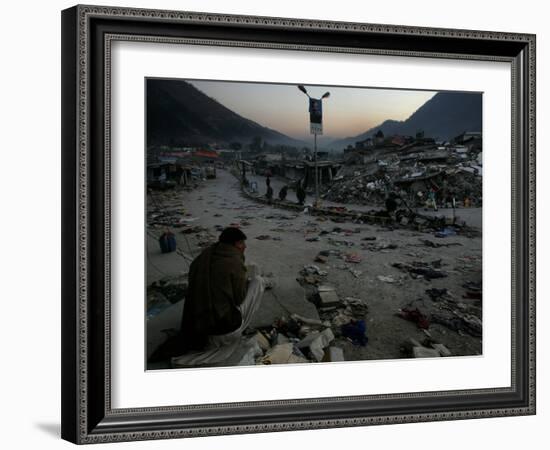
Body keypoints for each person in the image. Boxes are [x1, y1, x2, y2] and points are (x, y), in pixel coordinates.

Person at [176, 227, 265, 362]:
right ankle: (239, 330)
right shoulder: (234, 262)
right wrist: (243, 282)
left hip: (197, 324)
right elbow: (239, 299)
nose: (245, 247)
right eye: (242, 243)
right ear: (235, 245)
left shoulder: (204, 255)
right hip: (222, 329)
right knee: (258, 281)